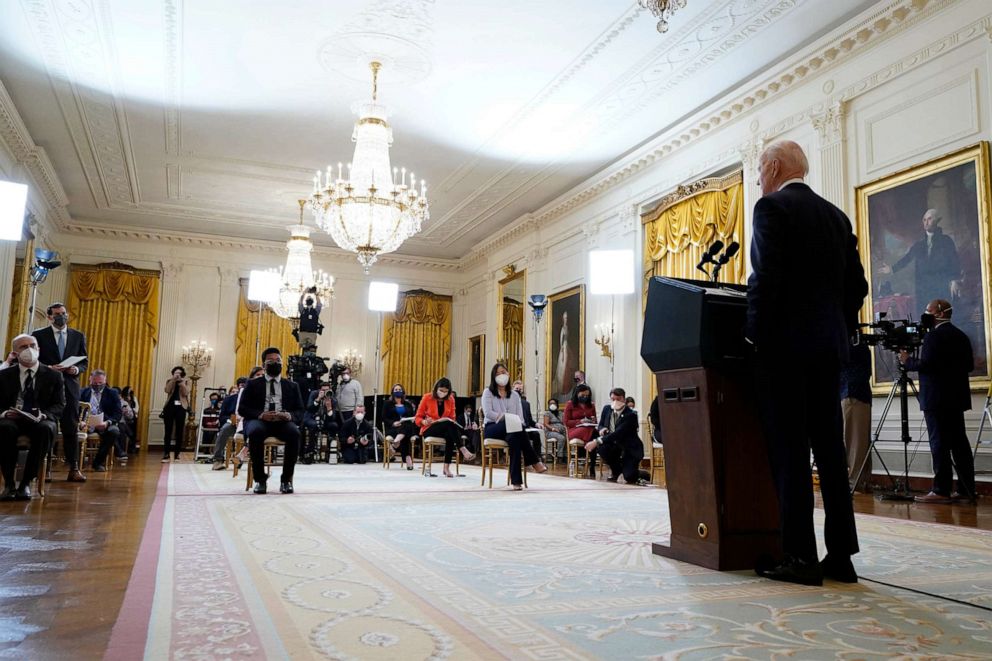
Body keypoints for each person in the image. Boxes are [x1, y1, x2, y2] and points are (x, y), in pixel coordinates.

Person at [746, 140, 867, 587]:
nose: (759, 178)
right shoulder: (837, 217)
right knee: (831, 454)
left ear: (774, 167)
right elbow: (858, 285)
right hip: (828, 351)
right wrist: (835, 322)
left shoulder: (771, 209)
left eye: (759, 170)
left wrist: (753, 334)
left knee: (791, 452)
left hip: (784, 352)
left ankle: (799, 557)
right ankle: (841, 557)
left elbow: (766, 279)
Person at [899, 299, 976, 504]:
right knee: (959, 443)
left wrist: (907, 361)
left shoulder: (933, 337)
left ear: (938, 313)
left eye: (928, 310)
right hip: (956, 399)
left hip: (936, 399)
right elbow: (968, 366)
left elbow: (927, 365)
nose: (926, 313)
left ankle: (941, 489)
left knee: (939, 443)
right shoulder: (960, 336)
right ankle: (966, 489)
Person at [0, 334, 64, 500]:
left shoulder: (54, 376)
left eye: (32, 345)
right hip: (12, 418)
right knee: (4, 428)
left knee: (46, 429)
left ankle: (26, 483)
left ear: (39, 349)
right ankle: (8, 484)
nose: (29, 349)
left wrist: (45, 415)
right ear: (15, 352)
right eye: (23, 347)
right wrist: (5, 413)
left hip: (40, 420)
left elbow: (59, 404)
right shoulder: (4, 375)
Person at [32, 302, 88, 482]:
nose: (61, 317)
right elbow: (33, 360)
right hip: (47, 387)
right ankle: (45, 469)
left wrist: (76, 370)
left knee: (70, 427)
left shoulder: (78, 335)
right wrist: (49, 368)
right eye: (57, 314)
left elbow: (84, 362)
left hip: (70, 387)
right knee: (48, 427)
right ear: (49, 317)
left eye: (63, 313)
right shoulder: (38, 335)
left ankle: (74, 468)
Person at [238, 347, 304, 494]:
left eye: (278, 360)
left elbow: (300, 410)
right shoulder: (252, 384)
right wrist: (261, 414)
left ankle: (286, 480)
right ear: (264, 365)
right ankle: (260, 480)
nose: (275, 363)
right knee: (255, 432)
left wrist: (289, 416)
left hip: (282, 422)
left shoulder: (292, 386)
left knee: (294, 433)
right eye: (271, 361)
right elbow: (242, 409)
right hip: (259, 420)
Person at [879, 208, 962, 310]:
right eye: (924, 220)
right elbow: (907, 258)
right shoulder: (919, 244)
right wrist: (892, 269)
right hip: (924, 288)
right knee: (926, 317)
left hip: (941, 286)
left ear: (936, 221)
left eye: (929, 219)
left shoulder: (946, 241)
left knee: (941, 315)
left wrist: (954, 280)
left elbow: (954, 261)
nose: (926, 222)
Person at [481, 364, 545, 489]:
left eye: (503, 372)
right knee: (512, 426)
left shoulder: (515, 395)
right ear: (493, 377)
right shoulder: (488, 392)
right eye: (498, 373)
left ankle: (516, 482)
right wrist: (505, 417)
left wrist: (514, 421)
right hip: (492, 427)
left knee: (515, 438)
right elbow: (488, 413)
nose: (501, 375)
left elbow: (520, 417)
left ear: (508, 374)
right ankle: (534, 460)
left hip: (512, 429)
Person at [416, 378, 474, 477]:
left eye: (446, 391)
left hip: (445, 428)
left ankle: (446, 467)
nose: (443, 393)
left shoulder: (450, 399)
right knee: (449, 426)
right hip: (429, 428)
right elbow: (418, 417)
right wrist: (424, 421)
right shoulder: (427, 397)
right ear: (436, 388)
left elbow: (452, 417)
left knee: (450, 432)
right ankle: (462, 448)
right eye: (441, 390)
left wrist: (449, 420)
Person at [593, 387, 644, 485]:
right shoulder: (607, 409)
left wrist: (596, 441)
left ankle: (640, 474)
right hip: (613, 445)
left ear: (624, 399)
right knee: (603, 449)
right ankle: (617, 471)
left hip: (629, 447)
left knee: (629, 477)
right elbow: (601, 424)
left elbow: (618, 433)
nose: (615, 401)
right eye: (613, 399)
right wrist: (602, 429)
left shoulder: (631, 415)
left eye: (618, 399)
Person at [841, 341, 872, 492]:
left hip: (852, 394)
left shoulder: (850, 345)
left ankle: (855, 483)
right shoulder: (859, 344)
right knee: (860, 441)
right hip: (858, 394)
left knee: (854, 442)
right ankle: (861, 481)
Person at [79, 370, 123, 471]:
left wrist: (107, 423)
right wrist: (80, 421)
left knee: (114, 431)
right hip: (85, 423)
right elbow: (75, 409)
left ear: (105, 381)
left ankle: (98, 462)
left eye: (100, 383)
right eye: (94, 383)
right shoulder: (82, 392)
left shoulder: (112, 393)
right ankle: (75, 463)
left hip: (104, 423)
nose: (97, 385)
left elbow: (118, 413)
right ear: (90, 380)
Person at [211, 377, 248, 470]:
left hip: (246, 424)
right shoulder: (229, 399)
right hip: (232, 424)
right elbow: (222, 416)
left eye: (245, 385)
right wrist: (231, 420)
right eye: (241, 386)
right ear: (238, 386)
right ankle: (217, 460)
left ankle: (240, 458)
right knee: (224, 430)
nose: (243, 388)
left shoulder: (251, 399)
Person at [564, 383, 598, 477]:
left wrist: (593, 420)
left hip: (589, 428)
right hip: (574, 430)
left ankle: (592, 464)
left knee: (593, 432)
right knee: (594, 434)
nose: (585, 397)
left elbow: (595, 419)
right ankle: (592, 463)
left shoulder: (591, 405)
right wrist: (580, 421)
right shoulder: (570, 404)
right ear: (577, 394)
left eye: (587, 395)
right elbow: (566, 422)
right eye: (583, 395)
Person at [381, 383, 416, 470]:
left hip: (406, 426)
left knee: (406, 425)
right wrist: (393, 423)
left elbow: (412, 416)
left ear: (403, 392)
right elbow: (384, 418)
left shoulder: (408, 404)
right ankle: (408, 458)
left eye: (400, 390)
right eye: (396, 390)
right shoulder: (387, 404)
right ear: (392, 392)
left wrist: (412, 419)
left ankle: (395, 443)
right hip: (393, 428)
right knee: (405, 435)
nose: (398, 391)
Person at [161, 366, 190, 463]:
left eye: (179, 373)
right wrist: (173, 380)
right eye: (175, 373)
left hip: (181, 408)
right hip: (169, 407)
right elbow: (167, 390)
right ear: (173, 373)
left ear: (182, 374)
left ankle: (177, 454)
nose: (177, 375)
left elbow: (186, 393)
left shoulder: (185, 382)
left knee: (179, 431)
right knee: (168, 431)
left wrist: (181, 383)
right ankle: (166, 454)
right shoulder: (169, 381)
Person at [512, 380, 544, 458]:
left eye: (520, 390)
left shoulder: (526, 404)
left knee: (536, 434)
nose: (518, 391)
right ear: (512, 389)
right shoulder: (509, 402)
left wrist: (536, 424)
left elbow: (529, 420)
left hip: (526, 429)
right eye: (517, 389)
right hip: (514, 429)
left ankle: (537, 458)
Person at [302, 382, 332, 463]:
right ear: (320, 389)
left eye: (327, 390)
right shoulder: (314, 393)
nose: (325, 392)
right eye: (323, 390)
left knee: (334, 425)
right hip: (311, 417)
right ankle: (310, 450)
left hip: (324, 419)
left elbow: (333, 416)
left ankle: (330, 453)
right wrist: (318, 398)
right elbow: (309, 407)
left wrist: (329, 407)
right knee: (314, 425)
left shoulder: (331, 395)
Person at [542, 397, 567, 462]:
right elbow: (546, 424)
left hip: (561, 430)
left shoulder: (561, 413)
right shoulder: (547, 413)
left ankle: (565, 455)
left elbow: (564, 422)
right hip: (550, 431)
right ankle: (559, 457)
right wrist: (553, 429)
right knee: (561, 438)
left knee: (568, 437)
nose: (552, 405)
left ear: (557, 405)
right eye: (550, 404)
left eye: (554, 403)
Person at [554, 311, 572, 395]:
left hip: (567, 346)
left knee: (568, 366)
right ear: (563, 319)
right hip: (563, 348)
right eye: (565, 318)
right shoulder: (563, 328)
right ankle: (562, 387)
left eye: (567, 318)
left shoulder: (567, 327)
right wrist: (562, 350)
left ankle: (566, 386)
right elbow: (561, 340)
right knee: (563, 366)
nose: (566, 319)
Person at [119, 386, 140, 455]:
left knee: (133, 434)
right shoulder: (122, 400)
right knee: (125, 431)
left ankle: (132, 447)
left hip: (133, 418)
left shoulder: (134, 398)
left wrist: (131, 409)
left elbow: (136, 409)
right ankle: (124, 449)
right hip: (124, 419)